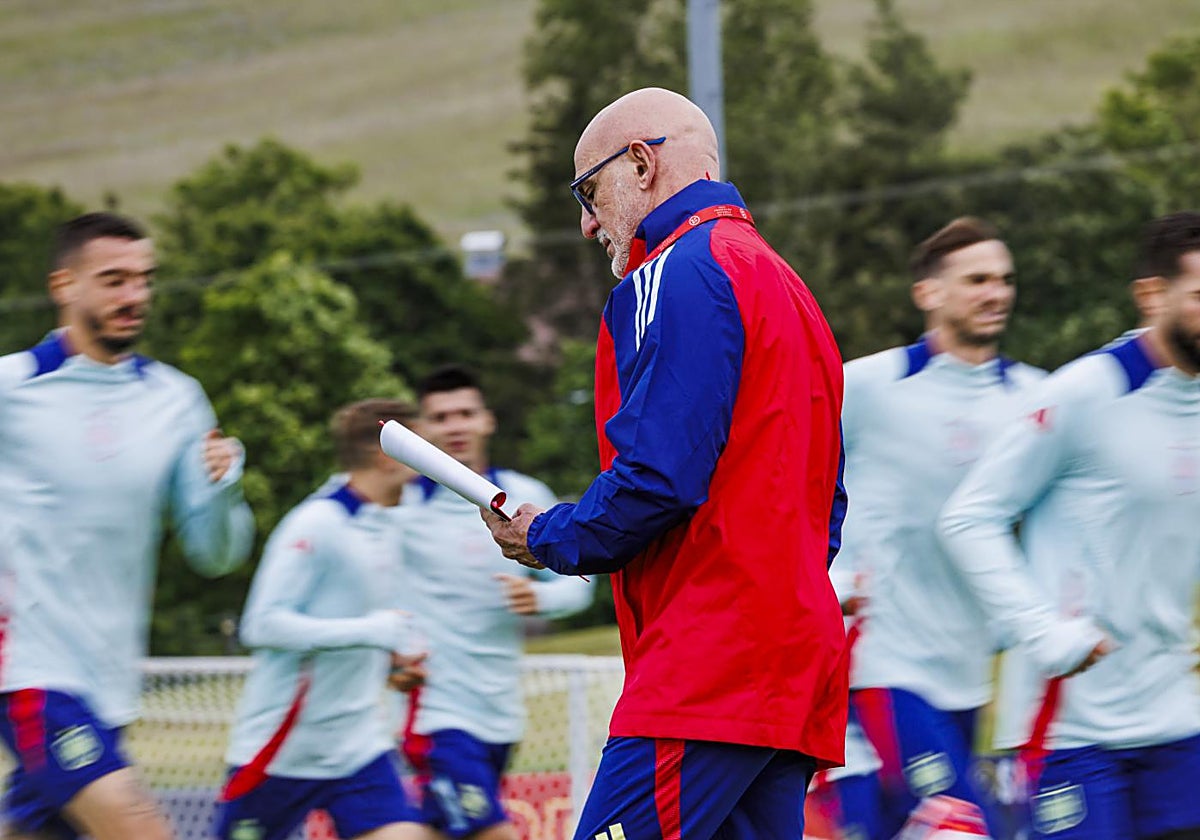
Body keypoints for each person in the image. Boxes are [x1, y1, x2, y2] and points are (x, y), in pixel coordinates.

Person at [482, 87, 848, 840]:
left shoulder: (676, 268)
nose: (588, 224)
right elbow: (827, 499)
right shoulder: (783, 280)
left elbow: (658, 475)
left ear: (642, 165)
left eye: (589, 193)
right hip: (790, 655)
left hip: (710, 665)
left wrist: (549, 534)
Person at [939, 211, 1200, 839]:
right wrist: (1043, 631)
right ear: (1151, 295)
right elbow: (969, 518)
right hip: (1069, 732)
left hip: (1177, 721)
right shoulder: (1085, 392)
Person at [0, 212, 254, 840]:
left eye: (144, 279)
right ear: (64, 285)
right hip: (29, 671)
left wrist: (225, 487)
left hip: (111, 683)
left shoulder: (176, 399)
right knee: (141, 829)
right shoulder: (12, 387)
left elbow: (216, 555)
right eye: (114, 280)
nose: (135, 295)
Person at [817, 217, 1046, 838]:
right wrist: (824, 576)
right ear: (928, 292)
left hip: (972, 675)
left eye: (1004, 280)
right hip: (881, 664)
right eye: (977, 280)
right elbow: (779, 469)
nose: (996, 293)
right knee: (964, 826)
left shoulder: (1036, 400)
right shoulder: (867, 385)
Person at [217, 399, 433, 840]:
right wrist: (374, 631)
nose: (431, 458)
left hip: (360, 750)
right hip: (282, 751)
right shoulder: (315, 522)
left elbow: (358, 626)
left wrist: (393, 663)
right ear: (386, 456)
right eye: (420, 446)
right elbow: (261, 625)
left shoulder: (390, 523)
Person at [398, 365, 593, 840]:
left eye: (466, 413)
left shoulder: (527, 496)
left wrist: (540, 596)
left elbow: (581, 583)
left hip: (500, 714)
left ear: (488, 420)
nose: (456, 426)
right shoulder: (398, 506)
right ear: (421, 430)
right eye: (441, 417)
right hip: (434, 716)